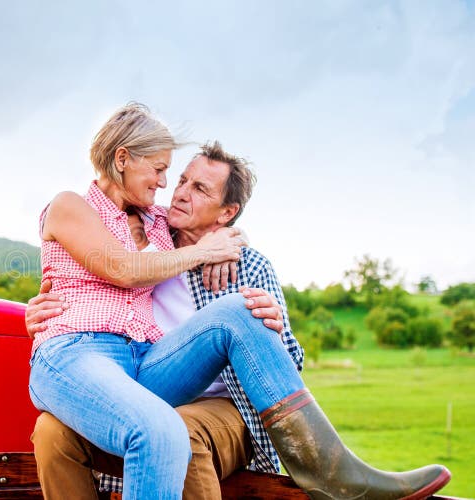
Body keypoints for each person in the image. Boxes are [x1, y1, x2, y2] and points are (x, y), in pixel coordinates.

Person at [28, 102, 450, 500]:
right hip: (85, 352)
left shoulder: (183, 236)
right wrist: (206, 249)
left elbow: (215, 246)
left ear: (225, 213)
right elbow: (119, 266)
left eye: (196, 187)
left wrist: (231, 249)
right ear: (122, 159)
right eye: (168, 175)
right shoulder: (76, 207)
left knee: (235, 313)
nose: (169, 189)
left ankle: (329, 469)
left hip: (159, 372)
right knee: (118, 430)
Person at [28, 140, 302, 499]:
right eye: (183, 180)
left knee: (180, 429)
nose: (180, 192)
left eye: (200, 189)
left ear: (225, 213)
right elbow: (95, 280)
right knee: (51, 431)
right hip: (148, 390)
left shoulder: (247, 265)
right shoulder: (150, 250)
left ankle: (322, 460)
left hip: (225, 407)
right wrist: (41, 309)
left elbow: (291, 365)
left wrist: (271, 330)